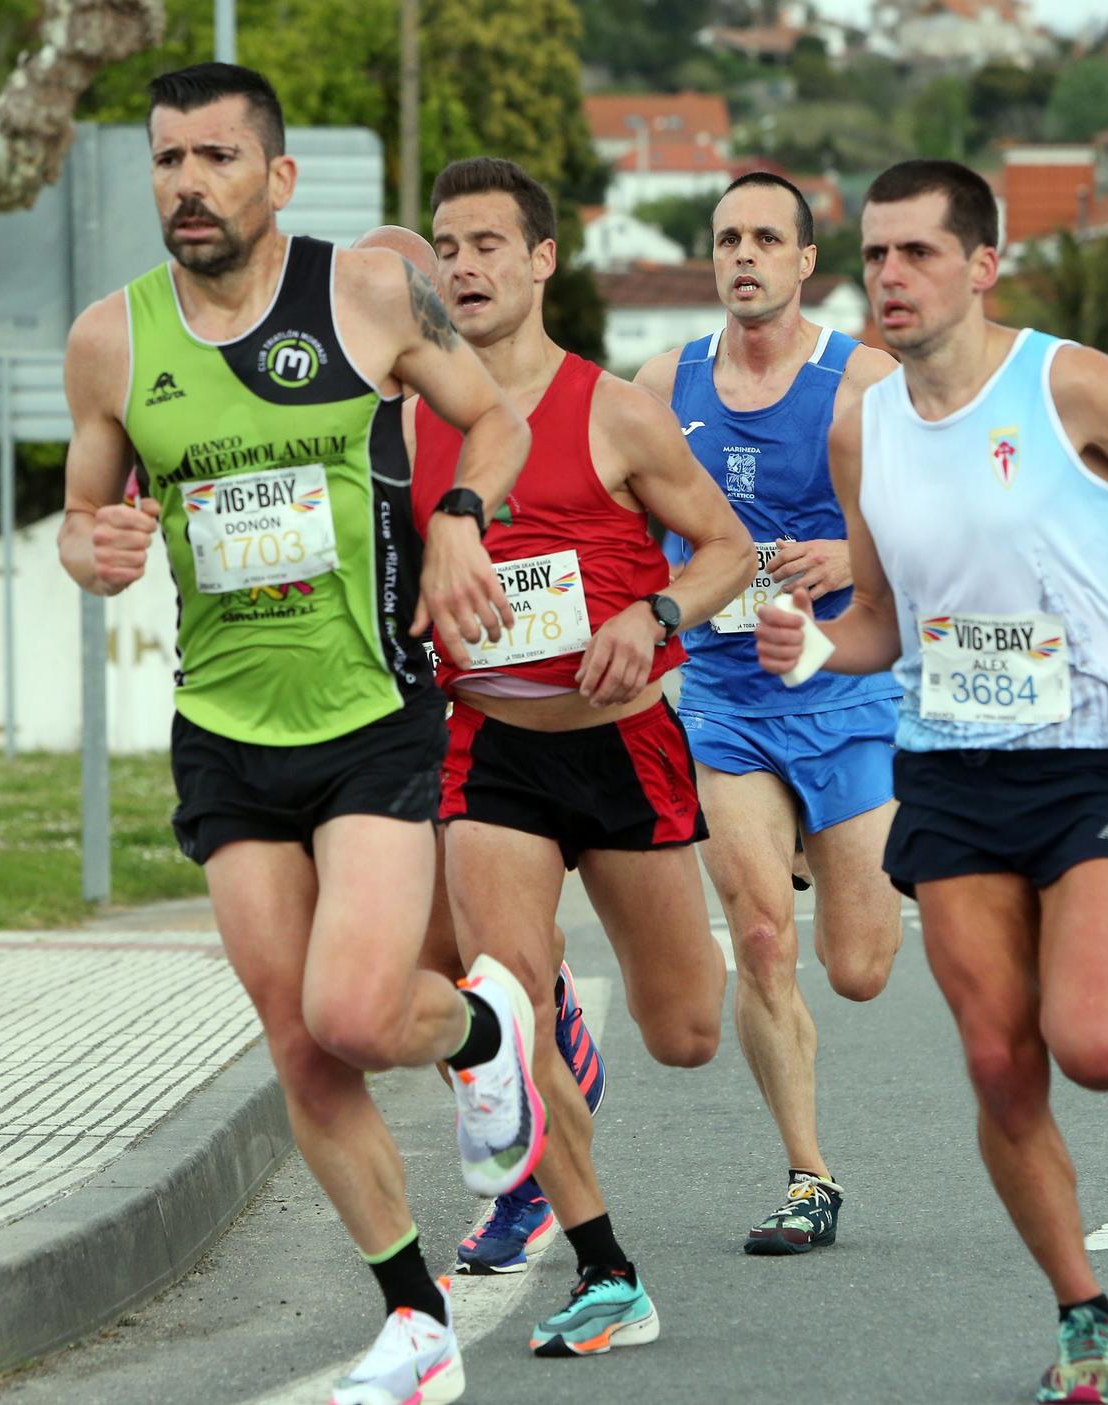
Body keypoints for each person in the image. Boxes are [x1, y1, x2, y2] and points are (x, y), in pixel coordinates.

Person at [56, 64, 545, 1405]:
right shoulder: (111, 339)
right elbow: (84, 509)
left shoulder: (369, 295)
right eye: (166, 160)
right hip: (222, 726)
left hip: (372, 706)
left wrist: (460, 520)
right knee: (298, 1039)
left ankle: (486, 1035)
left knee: (354, 1006)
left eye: (215, 157)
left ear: (277, 179)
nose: (187, 184)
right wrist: (92, 546)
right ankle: (418, 1319)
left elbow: (494, 420)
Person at [754, 159, 1108, 1404]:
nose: (889, 276)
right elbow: (885, 618)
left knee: (1090, 1050)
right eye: (874, 255)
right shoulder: (860, 426)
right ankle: (1080, 1314)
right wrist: (820, 648)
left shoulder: (1064, 381)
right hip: (942, 767)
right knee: (997, 1064)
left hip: (1083, 761)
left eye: (917, 253)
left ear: (980, 266)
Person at [413, 156, 753, 1356]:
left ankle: (567, 1038)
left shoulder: (612, 408)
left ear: (542, 260)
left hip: (624, 746)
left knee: (686, 1029)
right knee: (505, 1003)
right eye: (446, 246)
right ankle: (606, 1268)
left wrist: (653, 615)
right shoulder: (407, 420)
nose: (462, 267)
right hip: (489, 751)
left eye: (487, 245)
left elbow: (726, 550)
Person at [635, 171, 902, 1255]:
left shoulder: (864, 377)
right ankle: (807, 1174)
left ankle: (817, 832)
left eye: (764, 238)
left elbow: (931, 519)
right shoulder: (661, 384)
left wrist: (847, 553)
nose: (741, 254)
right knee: (757, 935)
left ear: (803, 262)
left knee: (859, 967)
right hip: (727, 699)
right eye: (725, 237)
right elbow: (615, 508)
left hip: (842, 688)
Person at [353, 221, 612, 1280]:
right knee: (419, 975)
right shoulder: (324, 412)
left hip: (454, 720)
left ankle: (526, 1148)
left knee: (482, 971)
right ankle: (535, 1058)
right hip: (361, 722)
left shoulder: (454, 417)